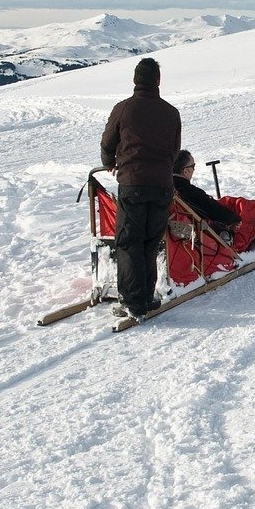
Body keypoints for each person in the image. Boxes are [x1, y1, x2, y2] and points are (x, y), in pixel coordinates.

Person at [100, 57, 181, 318]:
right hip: (162, 185)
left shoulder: (124, 109)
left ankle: (133, 302)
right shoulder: (171, 113)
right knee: (150, 241)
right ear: (158, 80)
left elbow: (108, 141)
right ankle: (147, 297)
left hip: (133, 183)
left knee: (129, 242)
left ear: (135, 80)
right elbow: (174, 150)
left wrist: (109, 163)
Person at [172, 150, 241, 243]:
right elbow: (213, 210)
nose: (194, 169)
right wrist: (234, 219)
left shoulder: (166, 189)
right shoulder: (190, 192)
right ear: (186, 171)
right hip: (193, 236)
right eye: (193, 166)